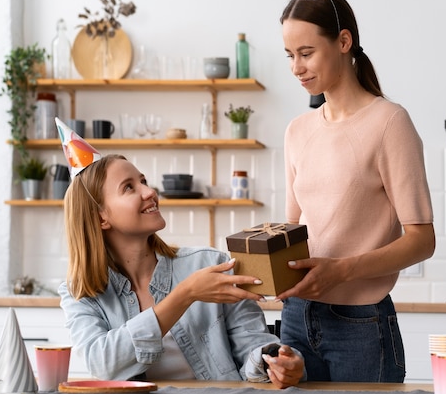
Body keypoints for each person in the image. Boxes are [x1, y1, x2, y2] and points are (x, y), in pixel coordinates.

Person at [54, 119, 304, 387]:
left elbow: (253, 346)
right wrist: (185, 294)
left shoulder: (211, 264)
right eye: (129, 187)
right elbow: (103, 364)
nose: (150, 192)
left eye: (144, 181)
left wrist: (275, 361)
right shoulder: (81, 292)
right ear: (101, 217)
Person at [277, 0, 436, 383]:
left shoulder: (389, 123)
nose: (297, 67)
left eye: (307, 53)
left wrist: (342, 270)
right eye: (290, 55)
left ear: (344, 42)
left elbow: (422, 239)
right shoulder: (297, 130)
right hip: (295, 319)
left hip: (361, 326)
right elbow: (291, 233)